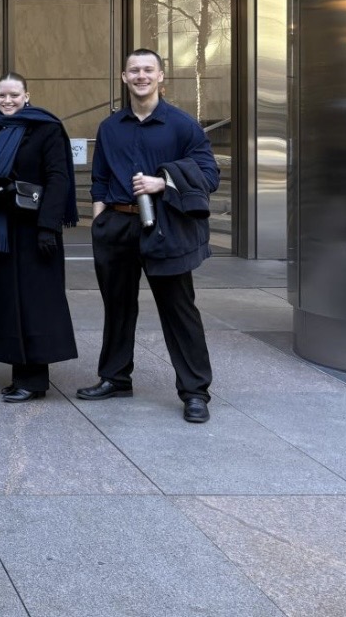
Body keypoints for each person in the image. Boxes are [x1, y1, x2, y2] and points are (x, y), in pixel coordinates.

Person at [78, 48, 219, 423]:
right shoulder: (110, 127)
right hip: (118, 226)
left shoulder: (183, 125)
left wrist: (164, 181)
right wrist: (99, 217)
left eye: (148, 70)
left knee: (179, 310)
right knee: (117, 308)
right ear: (124, 78)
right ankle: (115, 378)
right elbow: (101, 177)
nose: (141, 76)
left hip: (167, 226)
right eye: (134, 70)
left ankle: (195, 392)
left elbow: (209, 176)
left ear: (161, 77)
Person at [0, 73, 79, 403]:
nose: (7, 101)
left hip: (35, 231)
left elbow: (58, 178)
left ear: (27, 95)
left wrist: (48, 227)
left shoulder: (46, 128)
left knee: (35, 304)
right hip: (1, 229)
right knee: (7, 302)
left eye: (14, 95)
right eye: (1, 95)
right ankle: (19, 372)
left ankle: (34, 379)